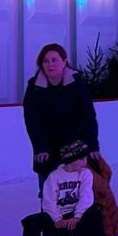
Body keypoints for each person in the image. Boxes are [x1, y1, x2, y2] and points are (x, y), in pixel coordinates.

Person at [21, 141, 110, 236]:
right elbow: (48, 200)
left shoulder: (85, 174)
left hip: (79, 216)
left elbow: (86, 197)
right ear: (70, 160)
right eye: (81, 158)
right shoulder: (54, 177)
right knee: (31, 221)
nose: (85, 161)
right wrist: (57, 218)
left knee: (95, 215)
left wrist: (77, 216)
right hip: (57, 218)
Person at [22, 43, 99, 185]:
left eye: (54, 60)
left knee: (78, 191)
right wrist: (40, 148)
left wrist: (93, 146)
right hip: (47, 148)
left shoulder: (77, 84)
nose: (50, 64)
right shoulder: (34, 87)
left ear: (64, 62)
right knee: (48, 192)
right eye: (45, 61)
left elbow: (88, 117)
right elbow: (32, 121)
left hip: (75, 145)